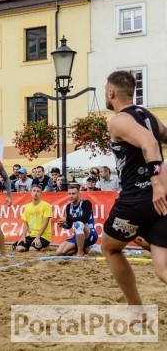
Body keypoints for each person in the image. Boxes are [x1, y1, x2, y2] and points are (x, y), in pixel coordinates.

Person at [100, 70, 167, 307]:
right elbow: (162, 137)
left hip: (137, 199)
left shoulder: (118, 121)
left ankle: (136, 309)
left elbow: (149, 142)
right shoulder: (148, 116)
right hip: (162, 201)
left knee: (109, 248)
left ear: (111, 93)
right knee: (163, 269)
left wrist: (157, 184)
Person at [55, 184, 98, 256]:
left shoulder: (86, 203)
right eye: (69, 194)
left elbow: (84, 219)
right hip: (78, 235)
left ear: (79, 194)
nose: (71, 196)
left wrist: (67, 218)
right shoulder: (69, 206)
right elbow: (69, 225)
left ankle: (80, 252)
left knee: (78, 223)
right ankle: (83, 249)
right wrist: (64, 225)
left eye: (73, 193)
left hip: (90, 234)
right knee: (60, 252)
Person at [14, 184, 52, 252]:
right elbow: (25, 224)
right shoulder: (27, 206)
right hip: (31, 235)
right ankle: (35, 245)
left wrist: (37, 237)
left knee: (32, 249)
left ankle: (46, 246)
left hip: (43, 236)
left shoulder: (46, 205)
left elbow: (45, 224)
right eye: (34, 191)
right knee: (19, 248)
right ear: (31, 193)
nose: (35, 193)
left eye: (38, 191)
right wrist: (23, 236)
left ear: (41, 194)